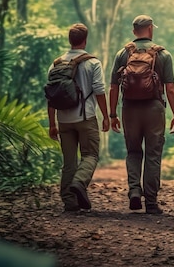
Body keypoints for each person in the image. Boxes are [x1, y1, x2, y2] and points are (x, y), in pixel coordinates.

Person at [109, 14, 174, 215]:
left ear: (134, 32)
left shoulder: (122, 54)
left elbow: (114, 87)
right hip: (154, 109)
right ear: (150, 28)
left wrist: (112, 113)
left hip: (130, 108)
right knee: (153, 153)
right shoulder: (163, 54)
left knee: (133, 151)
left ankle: (134, 190)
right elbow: (171, 88)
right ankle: (150, 201)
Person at [47, 23, 110, 212]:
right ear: (85, 40)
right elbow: (99, 91)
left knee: (69, 162)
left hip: (63, 120)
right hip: (86, 117)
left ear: (70, 40)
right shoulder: (92, 63)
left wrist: (52, 124)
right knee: (90, 154)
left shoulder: (56, 64)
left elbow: (50, 96)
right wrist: (106, 116)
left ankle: (69, 201)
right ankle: (79, 182)